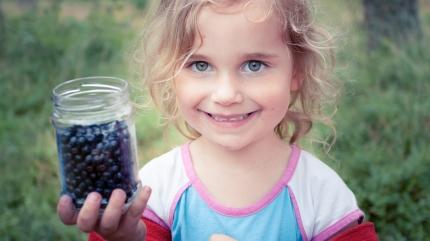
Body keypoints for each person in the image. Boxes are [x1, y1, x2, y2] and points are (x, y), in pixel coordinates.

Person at [57, 0, 379, 240]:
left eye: (254, 65)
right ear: (172, 74)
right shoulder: (157, 188)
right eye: (200, 65)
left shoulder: (321, 195)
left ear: (296, 72)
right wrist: (126, 236)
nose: (226, 94)